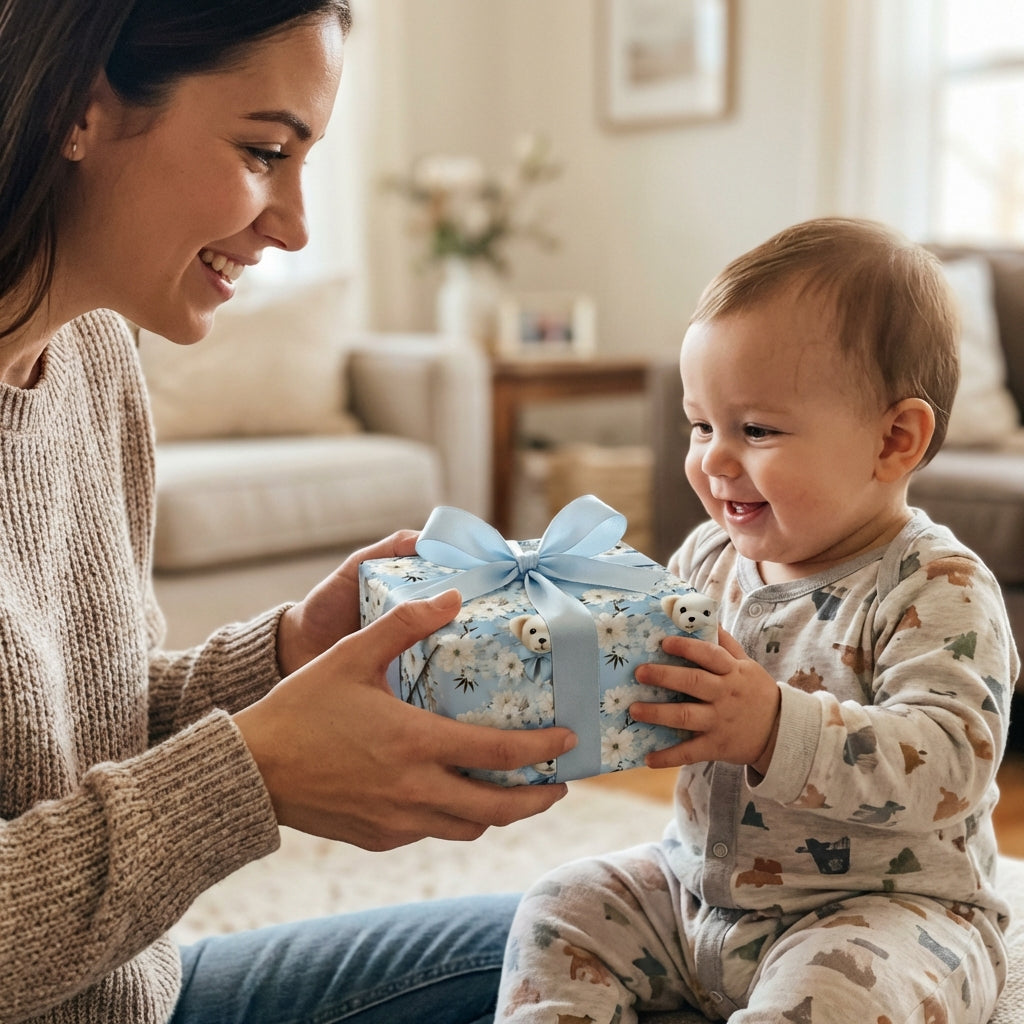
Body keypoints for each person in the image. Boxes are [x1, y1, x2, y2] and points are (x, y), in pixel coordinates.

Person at [0, 1, 578, 1021]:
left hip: (141, 997)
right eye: (264, 149)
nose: (297, 225)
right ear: (78, 109)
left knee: (616, 944)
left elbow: (82, 729)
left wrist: (283, 655)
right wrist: (249, 775)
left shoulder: (92, 357)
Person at [494, 218, 1020, 1024]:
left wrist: (775, 726)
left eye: (757, 430)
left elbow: (952, 766)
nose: (712, 458)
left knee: (835, 996)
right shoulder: (710, 556)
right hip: (696, 892)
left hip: (889, 915)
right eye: (701, 425)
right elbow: (647, 689)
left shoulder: (938, 587)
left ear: (894, 439)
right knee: (562, 905)